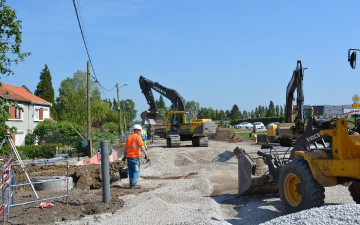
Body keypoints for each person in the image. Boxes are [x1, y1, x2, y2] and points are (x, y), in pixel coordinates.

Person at [122, 124, 149, 189]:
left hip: (129, 157)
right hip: (135, 157)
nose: (140, 132)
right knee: (136, 170)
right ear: (137, 130)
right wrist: (146, 154)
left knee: (131, 170)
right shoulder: (138, 137)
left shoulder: (129, 137)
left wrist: (125, 155)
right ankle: (134, 184)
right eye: (139, 130)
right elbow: (142, 146)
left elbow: (126, 147)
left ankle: (131, 184)